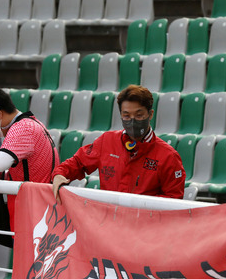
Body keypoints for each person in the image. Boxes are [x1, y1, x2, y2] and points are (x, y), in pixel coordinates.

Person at [52, 84, 185, 201]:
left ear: (150, 114)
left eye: (139, 115)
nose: (132, 121)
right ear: (120, 115)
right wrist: (60, 174)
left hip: (144, 225)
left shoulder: (168, 156)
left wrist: (141, 205)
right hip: (109, 222)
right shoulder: (107, 141)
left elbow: (174, 199)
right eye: (126, 116)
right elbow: (78, 163)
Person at [0, 86, 59, 246]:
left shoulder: (24, 128)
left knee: (30, 267)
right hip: (38, 208)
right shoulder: (31, 124)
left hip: (35, 212)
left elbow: (1, 161)